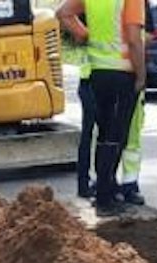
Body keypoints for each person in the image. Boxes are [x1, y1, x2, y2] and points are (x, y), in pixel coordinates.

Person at [60, 0, 149, 217]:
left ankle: (103, 193)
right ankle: (105, 198)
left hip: (98, 71)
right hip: (122, 72)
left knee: (105, 135)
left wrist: (84, 34)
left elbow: (63, 13)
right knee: (115, 137)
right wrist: (141, 75)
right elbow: (134, 40)